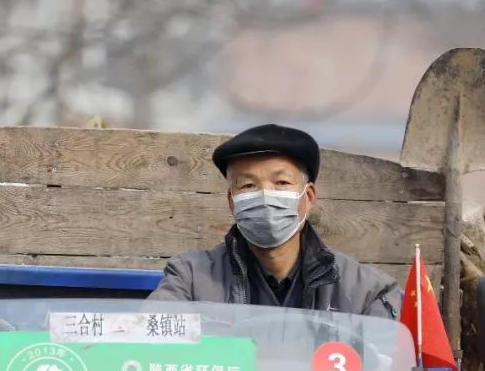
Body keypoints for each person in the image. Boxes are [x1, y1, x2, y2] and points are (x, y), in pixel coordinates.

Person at [148, 124, 400, 318]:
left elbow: (388, 360)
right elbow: (149, 343)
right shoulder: (191, 279)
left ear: (308, 196)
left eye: (281, 182)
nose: (265, 196)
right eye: (248, 185)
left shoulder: (365, 292)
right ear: (232, 201)